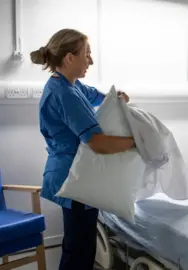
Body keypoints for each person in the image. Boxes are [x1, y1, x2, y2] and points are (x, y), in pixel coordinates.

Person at [30, 29, 135, 270]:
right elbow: (97, 142)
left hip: (70, 174)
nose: (91, 60)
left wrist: (115, 97)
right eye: (87, 54)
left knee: (78, 245)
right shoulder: (65, 93)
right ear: (69, 58)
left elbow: (95, 95)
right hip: (73, 177)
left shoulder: (68, 85)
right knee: (79, 251)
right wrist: (135, 143)